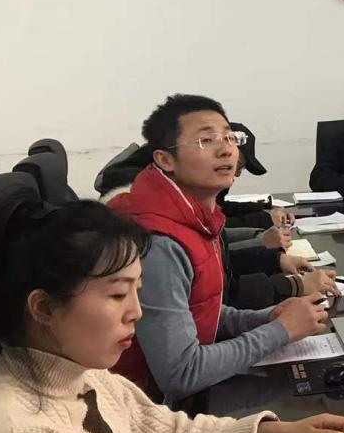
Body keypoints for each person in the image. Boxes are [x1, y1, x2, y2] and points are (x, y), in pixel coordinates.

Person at [0, 198, 344, 433]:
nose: (136, 312)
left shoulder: (79, 374)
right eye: (117, 295)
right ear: (44, 308)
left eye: (137, 291)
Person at [109, 94, 328, 402]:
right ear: (165, 160)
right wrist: (280, 331)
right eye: (206, 140)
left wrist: (266, 318)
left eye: (229, 137)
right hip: (141, 405)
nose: (226, 149)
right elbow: (181, 374)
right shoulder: (159, 241)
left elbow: (198, 309)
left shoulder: (192, 217)